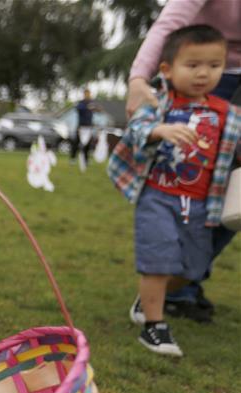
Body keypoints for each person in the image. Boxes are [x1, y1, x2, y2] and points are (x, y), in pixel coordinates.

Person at [108, 25, 240, 357]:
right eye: (192, 65)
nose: (203, 74)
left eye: (213, 66)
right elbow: (137, 127)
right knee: (158, 259)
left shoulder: (229, 114)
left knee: (193, 269)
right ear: (167, 69)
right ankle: (154, 327)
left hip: (200, 205)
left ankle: (149, 297)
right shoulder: (160, 101)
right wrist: (158, 129)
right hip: (158, 196)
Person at [70, 88, 100, 168]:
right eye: (86, 93)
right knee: (77, 142)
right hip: (81, 126)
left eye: (89, 93)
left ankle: (86, 160)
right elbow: (78, 108)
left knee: (88, 144)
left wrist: (95, 108)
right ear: (84, 94)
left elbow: (98, 110)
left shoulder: (92, 102)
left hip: (89, 127)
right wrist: (87, 107)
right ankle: (73, 158)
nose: (88, 95)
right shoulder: (81, 103)